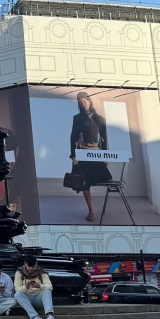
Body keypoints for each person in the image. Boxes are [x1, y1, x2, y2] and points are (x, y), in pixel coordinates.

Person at [68, 91, 111, 222]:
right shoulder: (77, 118)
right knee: (85, 183)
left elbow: (105, 139)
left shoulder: (100, 119)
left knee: (104, 180)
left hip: (96, 154)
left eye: (84, 101)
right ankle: (91, 210)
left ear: (89, 100)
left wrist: (105, 155)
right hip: (82, 153)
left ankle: (103, 209)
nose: (83, 103)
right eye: (80, 102)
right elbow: (72, 137)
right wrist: (74, 156)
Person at [14, 255, 57, 319]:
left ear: (36, 264)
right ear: (25, 264)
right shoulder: (19, 272)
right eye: (29, 266)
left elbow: (50, 287)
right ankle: (35, 317)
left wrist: (39, 286)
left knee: (47, 291)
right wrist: (26, 287)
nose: (31, 268)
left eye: (33, 266)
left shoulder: (41, 271)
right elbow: (17, 289)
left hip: (39, 299)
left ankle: (50, 317)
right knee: (17, 295)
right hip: (27, 300)